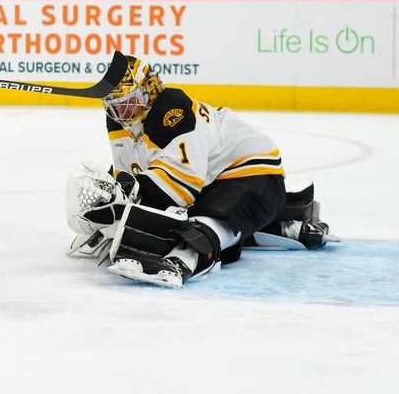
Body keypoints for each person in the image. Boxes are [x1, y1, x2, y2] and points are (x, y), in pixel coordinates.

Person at [65, 57, 332, 288]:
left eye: (126, 102)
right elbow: (130, 175)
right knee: (183, 216)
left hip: (255, 177)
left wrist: (124, 200)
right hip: (216, 181)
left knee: (197, 220)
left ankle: (184, 260)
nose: (119, 112)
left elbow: (179, 190)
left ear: (148, 91)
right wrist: (112, 203)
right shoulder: (122, 119)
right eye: (112, 105)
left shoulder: (173, 111)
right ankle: (288, 226)